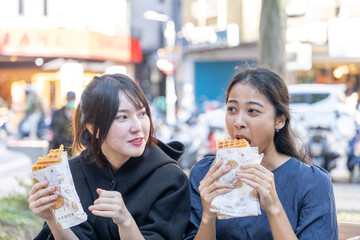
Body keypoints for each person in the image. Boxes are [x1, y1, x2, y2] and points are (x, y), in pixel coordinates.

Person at [28, 74, 190, 240]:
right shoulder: (69, 176)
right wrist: (53, 218)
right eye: (123, 117)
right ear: (94, 128)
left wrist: (125, 221)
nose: (137, 127)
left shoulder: (171, 179)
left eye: (142, 113)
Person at [184, 67, 338, 240]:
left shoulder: (312, 183)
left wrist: (274, 209)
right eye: (232, 109)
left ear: (279, 120)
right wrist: (208, 217)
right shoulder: (206, 175)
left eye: (253, 111)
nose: (238, 122)